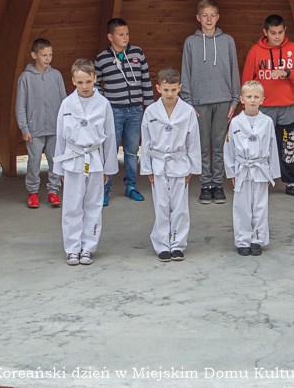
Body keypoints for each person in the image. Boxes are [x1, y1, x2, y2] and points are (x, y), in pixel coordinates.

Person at [53, 59, 118, 266]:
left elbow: (110, 137)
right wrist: (58, 168)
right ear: (73, 81)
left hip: (95, 159)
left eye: (88, 81)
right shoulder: (67, 104)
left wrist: (109, 166)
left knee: (93, 204)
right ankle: (72, 248)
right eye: (80, 82)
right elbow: (60, 137)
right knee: (72, 205)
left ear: (95, 79)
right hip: (73, 159)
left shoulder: (103, 104)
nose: (84, 86)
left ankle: (88, 247)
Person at [241, 14, 294, 199]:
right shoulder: (255, 51)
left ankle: (291, 183)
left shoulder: (293, 49)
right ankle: (258, 182)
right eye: (273, 33)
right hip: (263, 110)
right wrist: (248, 108)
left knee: (287, 148)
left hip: (288, 108)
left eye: (280, 32)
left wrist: (288, 72)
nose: (277, 36)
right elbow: (247, 81)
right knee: (259, 147)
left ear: (285, 30)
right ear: (265, 32)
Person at [180, 0, 240, 205]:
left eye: (212, 15)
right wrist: (188, 102)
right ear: (198, 17)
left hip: (223, 101)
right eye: (204, 15)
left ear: (218, 17)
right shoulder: (191, 42)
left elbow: (234, 70)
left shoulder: (227, 41)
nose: (208, 19)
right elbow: (185, 72)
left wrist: (234, 101)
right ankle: (205, 185)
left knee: (219, 145)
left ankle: (218, 185)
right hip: (199, 102)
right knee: (203, 146)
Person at [141, 67, 201, 262]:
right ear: (158, 88)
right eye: (166, 90)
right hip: (158, 162)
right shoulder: (151, 111)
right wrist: (147, 167)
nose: (170, 94)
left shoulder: (187, 111)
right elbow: (147, 141)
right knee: (161, 205)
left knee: (180, 206)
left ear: (180, 88)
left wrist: (192, 167)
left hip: (180, 162)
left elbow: (193, 141)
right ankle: (161, 245)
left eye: (174, 90)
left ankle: (177, 243)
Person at [95, 18, 154, 206]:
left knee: (131, 151)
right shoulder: (102, 58)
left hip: (136, 110)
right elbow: (96, 85)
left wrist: (149, 108)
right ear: (110, 36)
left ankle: (130, 186)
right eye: (121, 35)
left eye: (127, 34)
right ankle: (105, 188)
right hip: (114, 111)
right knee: (110, 151)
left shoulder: (137, 53)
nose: (125, 37)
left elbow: (146, 80)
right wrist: (104, 106)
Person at [224, 80, 280, 257]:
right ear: (242, 99)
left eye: (256, 97)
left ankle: (257, 239)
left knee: (260, 206)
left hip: (261, 167)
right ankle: (242, 240)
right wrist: (231, 171)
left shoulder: (267, 122)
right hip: (242, 168)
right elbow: (229, 148)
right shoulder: (235, 122)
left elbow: (272, 147)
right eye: (249, 97)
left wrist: (273, 172)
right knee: (242, 206)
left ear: (263, 99)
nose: (252, 100)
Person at [15, 38, 67, 208]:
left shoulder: (56, 75)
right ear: (34, 55)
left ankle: (53, 192)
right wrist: (25, 128)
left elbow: (63, 101)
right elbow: (20, 106)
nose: (47, 58)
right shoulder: (25, 78)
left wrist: (64, 125)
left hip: (54, 128)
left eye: (50, 55)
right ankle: (33, 192)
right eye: (44, 55)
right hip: (34, 129)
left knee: (55, 160)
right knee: (33, 161)